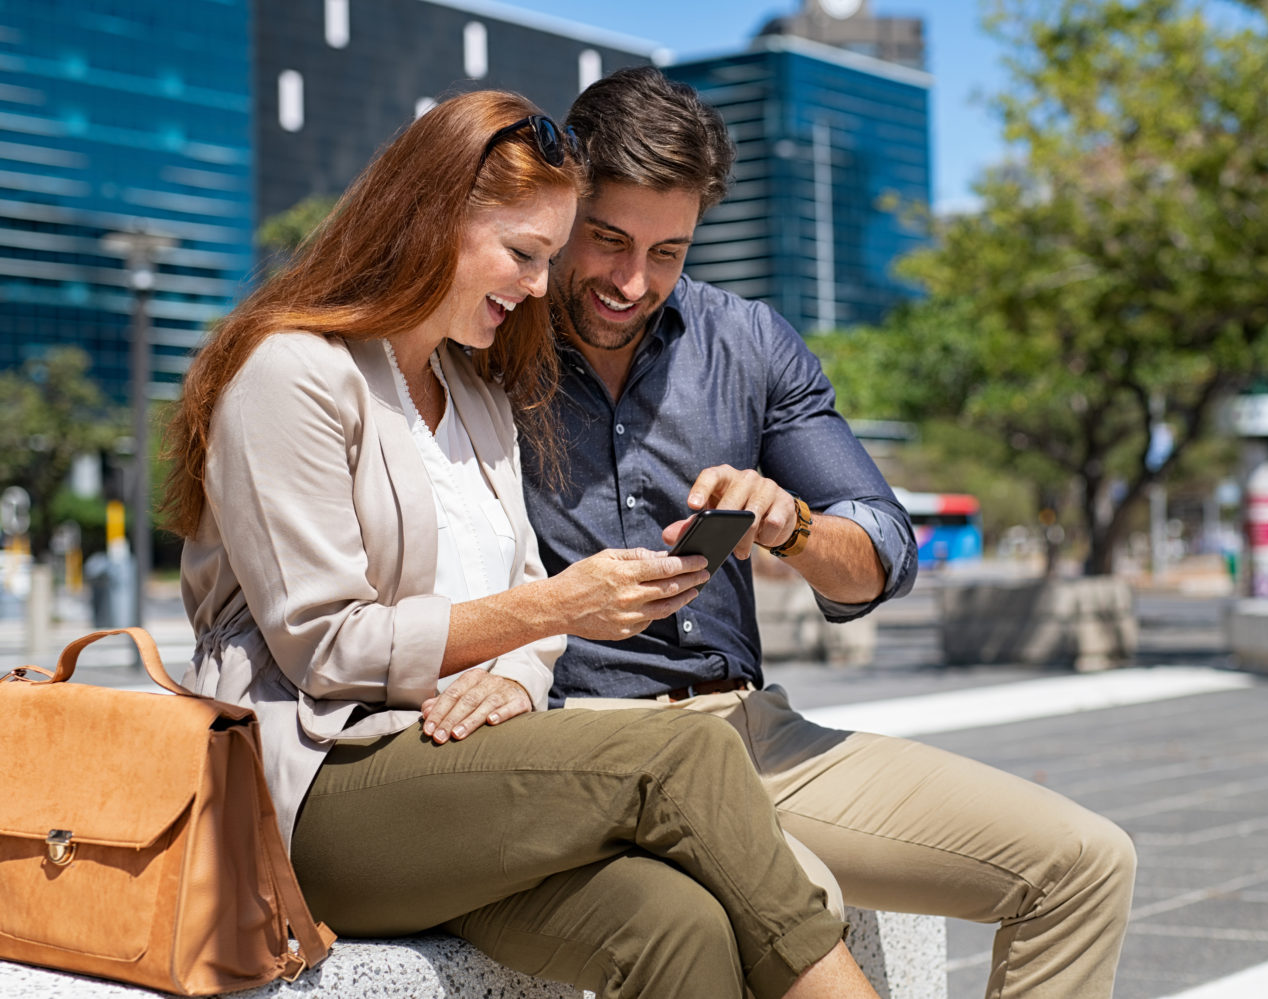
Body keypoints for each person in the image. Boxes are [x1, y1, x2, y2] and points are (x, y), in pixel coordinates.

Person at [161, 88, 881, 999]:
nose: (541, 285)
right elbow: (328, 646)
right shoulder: (294, 373)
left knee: (677, 926)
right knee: (686, 756)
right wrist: (554, 609)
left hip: (454, 776)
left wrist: (518, 672)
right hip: (317, 790)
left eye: (548, 256)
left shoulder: (477, 393)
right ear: (428, 222)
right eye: (522, 253)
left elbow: (526, 604)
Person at [523, 66, 1139, 999]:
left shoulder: (749, 343)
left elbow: (881, 553)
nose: (630, 280)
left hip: (749, 734)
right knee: (796, 907)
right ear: (564, 204)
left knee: (1086, 863)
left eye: (667, 252)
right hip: (582, 746)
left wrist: (791, 522)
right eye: (607, 241)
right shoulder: (486, 335)